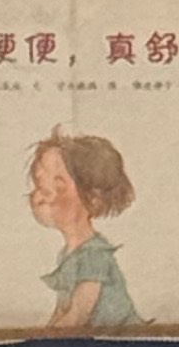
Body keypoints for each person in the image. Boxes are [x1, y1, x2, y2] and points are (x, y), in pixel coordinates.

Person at [29, 128, 141, 329]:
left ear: (92, 199)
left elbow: (78, 314)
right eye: (40, 183)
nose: (42, 195)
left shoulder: (93, 255)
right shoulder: (68, 254)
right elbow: (62, 310)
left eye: (59, 185)